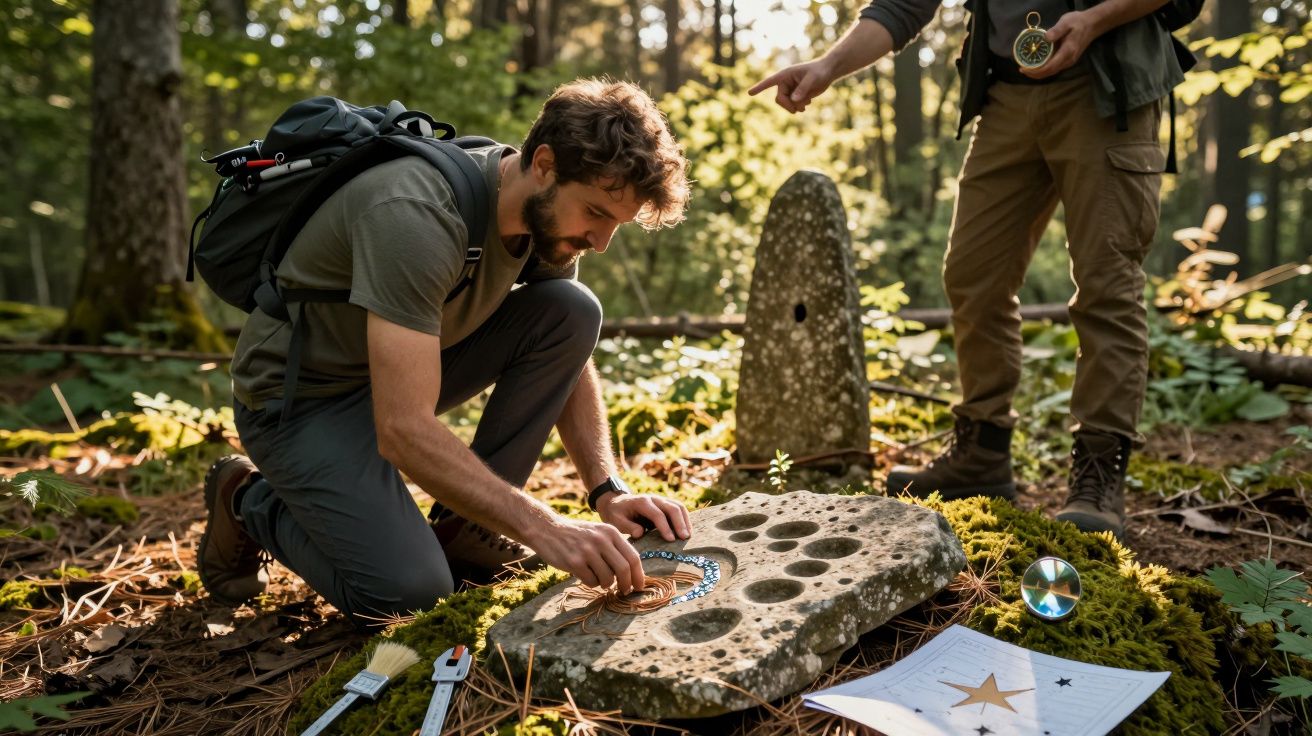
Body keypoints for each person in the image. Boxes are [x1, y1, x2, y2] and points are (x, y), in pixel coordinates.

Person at [198, 79, 694, 624]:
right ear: (546, 164)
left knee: (572, 308)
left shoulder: (545, 219)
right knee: (410, 597)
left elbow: (565, 350)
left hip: (398, 373)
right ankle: (246, 498)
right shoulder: (417, 214)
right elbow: (402, 429)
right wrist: (543, 526)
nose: (600, 242)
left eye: (615, 225)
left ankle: (469, 534)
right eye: (596, 214)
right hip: (301, 401)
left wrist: (606, 488)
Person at [751, 0, 1190, 539]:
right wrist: (827, 66)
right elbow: (903, 5)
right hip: (1005, 95)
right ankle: (982, 449)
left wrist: (1095, 18)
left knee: (1107, 285)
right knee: (972, 273)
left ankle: (1098, 475)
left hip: (1107, 87)